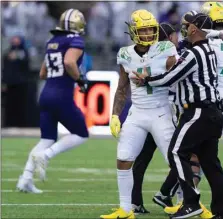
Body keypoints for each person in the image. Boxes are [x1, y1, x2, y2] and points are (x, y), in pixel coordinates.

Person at [132, 13, 223, 219]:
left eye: (188, 26)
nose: (185, 29)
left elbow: (171, 76)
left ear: (195, 29)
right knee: (211, 163)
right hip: (213, 112)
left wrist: (147, 80)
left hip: (199, 111)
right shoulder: (209, 51)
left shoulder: (194, 53)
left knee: (176, 152)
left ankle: (190, 202)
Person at [100, 9, 178, 219]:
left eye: (151, 29)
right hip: (137, 112)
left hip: (161, 111)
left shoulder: (166, 48)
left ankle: (184, 204)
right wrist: (115, 115)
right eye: (143, 30)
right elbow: (122, 88)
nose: (147, 34)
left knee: (176, 160)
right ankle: (126, 209)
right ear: (134, 31)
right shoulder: (125, 53)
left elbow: (179, 77)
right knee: (124, 158)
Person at [16, 9, 89, 193]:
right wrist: (80, 79)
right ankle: (46, 156)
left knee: (46, 139)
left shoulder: (53, 41)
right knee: (81, 133)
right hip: (62, 95)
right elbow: (69, 62)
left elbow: (42, 73)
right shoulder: (75, 40)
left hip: (46, 93)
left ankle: (25, 180)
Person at [131, 22, 179, 215]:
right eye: (174, 35)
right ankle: (168, 195)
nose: (177, 39)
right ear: (168, 37)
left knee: (142, 159)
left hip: (152, 110)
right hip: (167, 111)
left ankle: (136, 201)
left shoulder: (148, 56)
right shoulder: (171, 55)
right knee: (182, 157)